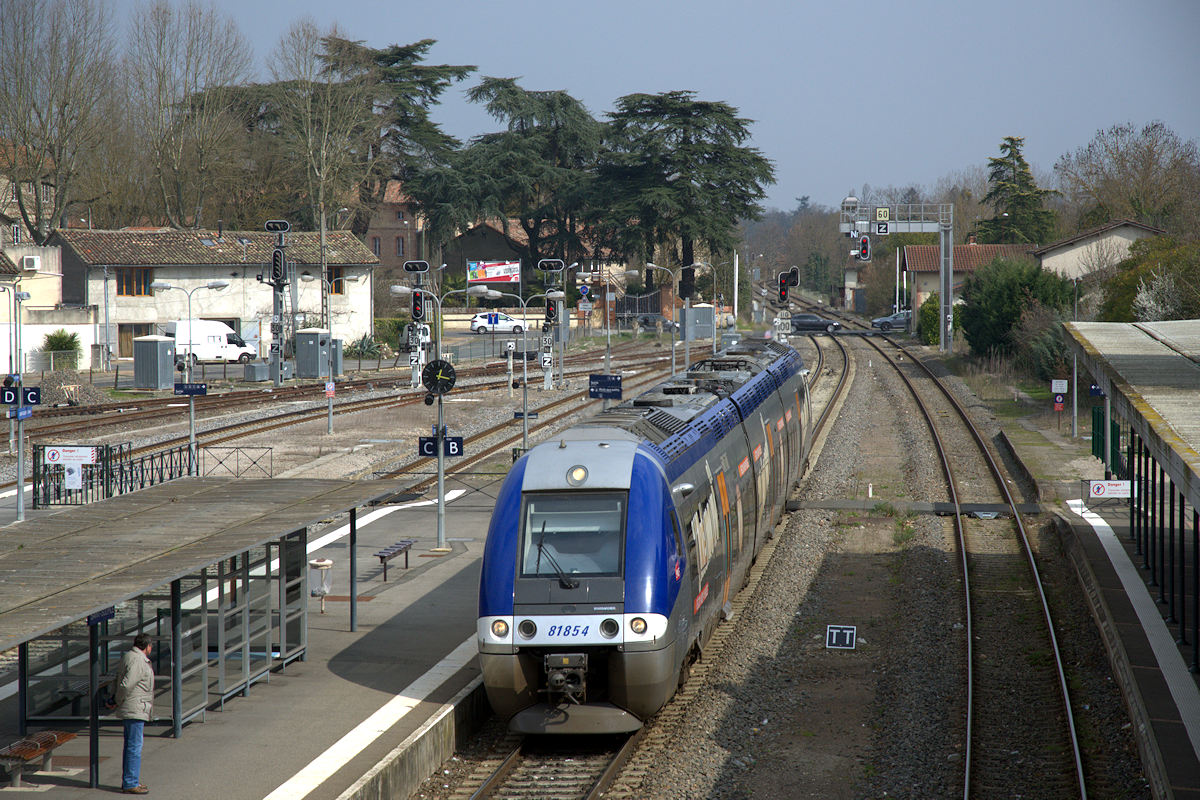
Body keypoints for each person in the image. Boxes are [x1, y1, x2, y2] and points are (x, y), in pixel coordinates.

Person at [111, 633, 154, 794]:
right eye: (151, 646)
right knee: (134, 746)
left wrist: (116, 699)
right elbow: (126, 685)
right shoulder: (138, 660)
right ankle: (130, 782)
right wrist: (117, 699)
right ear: (147, 646)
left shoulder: (129, 656)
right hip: (135, 708)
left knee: (132, 745)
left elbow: (119, 680)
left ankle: (131, 779)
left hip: (133, 707)